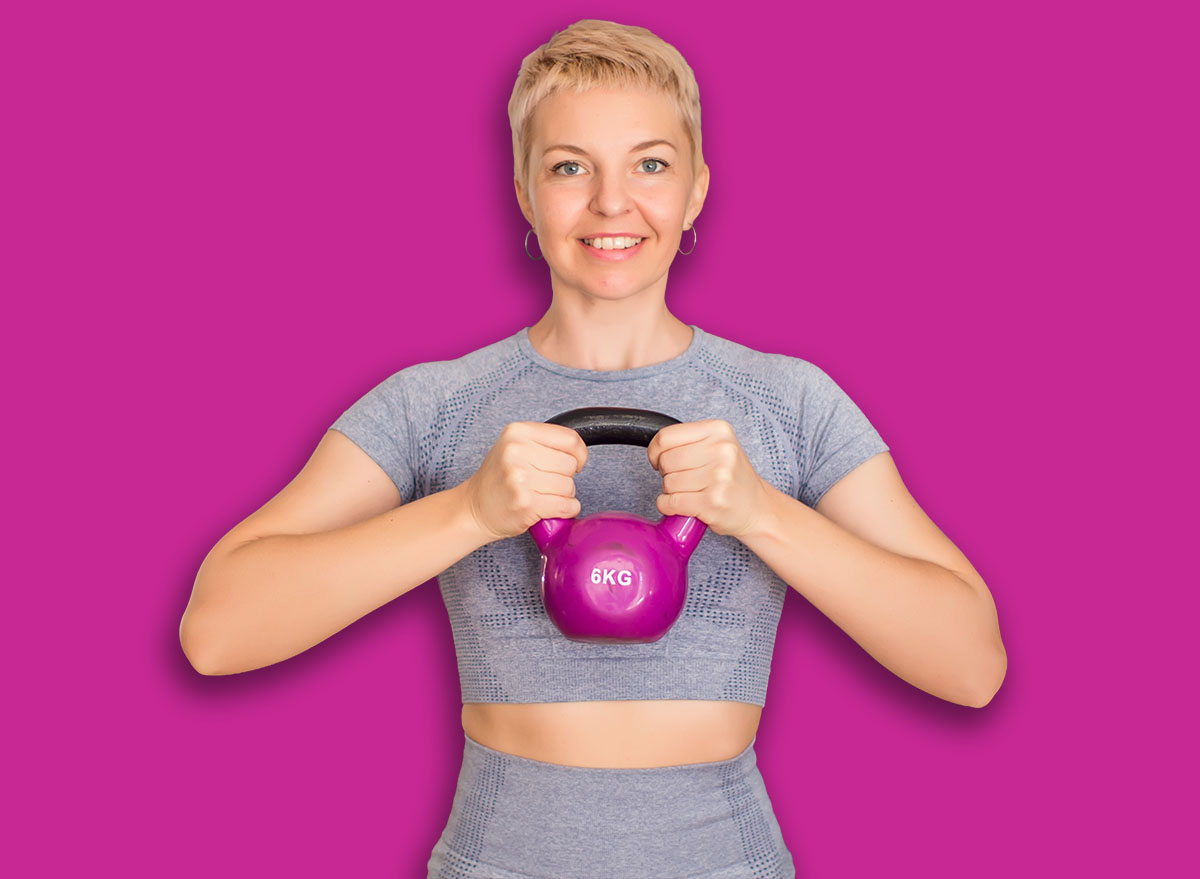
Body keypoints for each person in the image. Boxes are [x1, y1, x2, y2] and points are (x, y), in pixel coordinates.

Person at [180, 19, 1006, 879]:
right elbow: (217, 630)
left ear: (695, 192)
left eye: (650, 163)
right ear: (524, 193)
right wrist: (466, 511)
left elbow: (972, 663)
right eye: (570, 166)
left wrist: (767, 516)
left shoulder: (790, 401)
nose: (613, 203)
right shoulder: (434, 403)